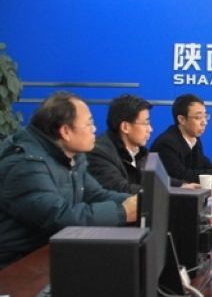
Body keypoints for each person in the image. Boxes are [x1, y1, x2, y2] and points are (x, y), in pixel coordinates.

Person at [0, 92, 137, 269]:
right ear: (66, 131)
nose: (94, 129)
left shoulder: (71, 155)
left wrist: (137, 202)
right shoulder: (26, 165)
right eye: (89, 123)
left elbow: (95, 194)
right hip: (15, 265)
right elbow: (59, 217)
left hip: (51, 252)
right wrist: (121, 212)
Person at [150, 93, 212, 185]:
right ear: (182, 119)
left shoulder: (194, 139)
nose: (204, 122)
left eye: (205, 116)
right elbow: (181, 176)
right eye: (198, 117)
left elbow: (203, 164)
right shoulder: (166, 144)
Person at [87, 94, 154, 195]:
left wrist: (177, 187)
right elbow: (119, 189)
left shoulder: (141, 152)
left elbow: (156, 181)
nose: (150, 129)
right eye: (146, 123)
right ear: (125, 127)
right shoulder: (99, 153)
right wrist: (161, 193)